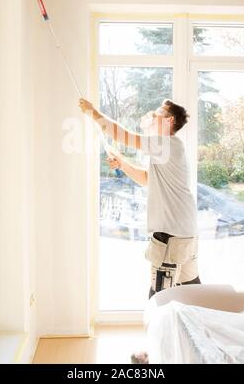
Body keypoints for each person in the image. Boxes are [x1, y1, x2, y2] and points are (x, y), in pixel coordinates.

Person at [79, 97, 200, 363]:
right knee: (191, 289)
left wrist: (93, 113)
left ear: (169, 121)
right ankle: (200, 345)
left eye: (157, 113)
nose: (152, 116)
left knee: (158, 295)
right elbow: (147, 179)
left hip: (171, 235)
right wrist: (122, 163)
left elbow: (123, 135)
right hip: (185, 233)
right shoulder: (168, 149)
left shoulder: (166, 143)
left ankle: (155, 356)